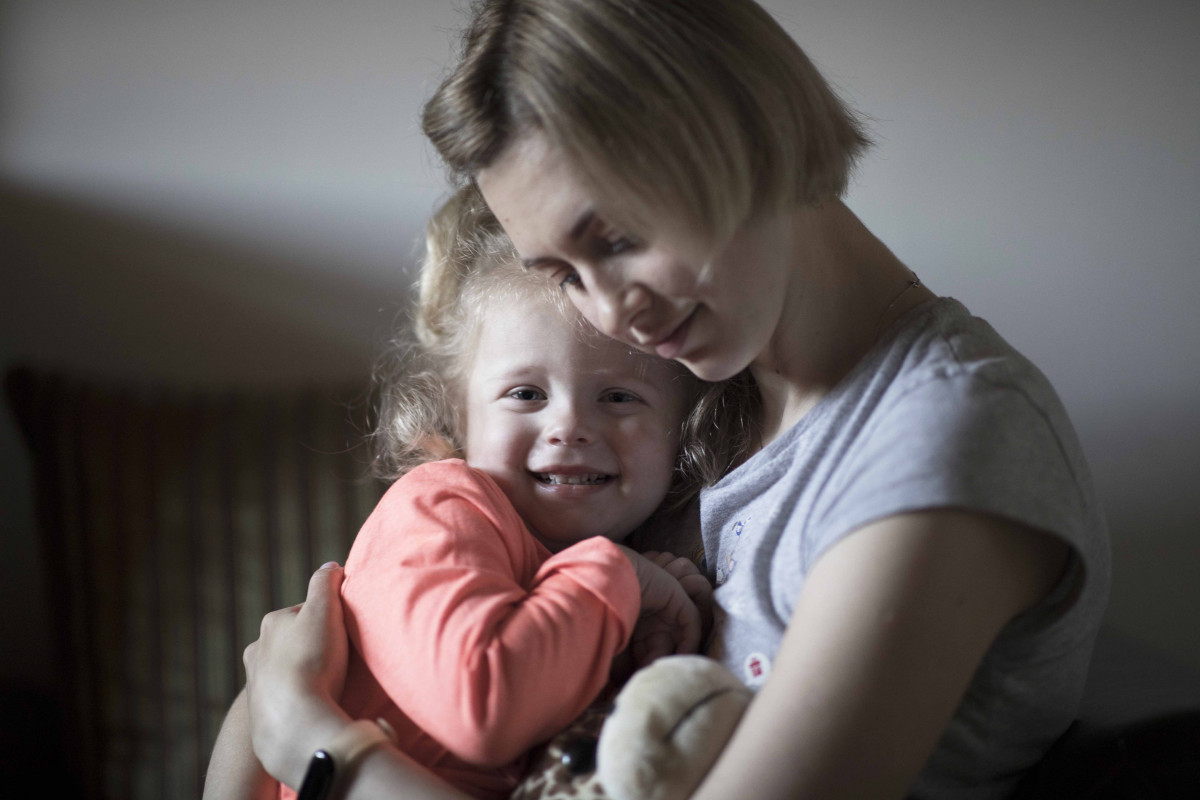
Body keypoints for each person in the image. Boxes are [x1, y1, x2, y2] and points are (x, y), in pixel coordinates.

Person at [231, 1, 1111, 798]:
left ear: (741, 130)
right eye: (564, 274)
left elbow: (303, 712)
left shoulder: (948, 434)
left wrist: (315, 745)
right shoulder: (681, 412)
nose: (613, 313)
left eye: (617, 237)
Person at [205, 187, 747, 800]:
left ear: (682, 431)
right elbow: (485, 709)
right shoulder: (441, 505)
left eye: (620, 397)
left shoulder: (621, 554)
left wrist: (652, 640)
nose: (568, 426)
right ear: (458, 415)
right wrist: (615, 576)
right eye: (525, 394)